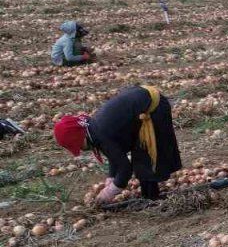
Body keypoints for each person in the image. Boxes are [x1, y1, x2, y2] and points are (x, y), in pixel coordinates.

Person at [52, 85, 182, 203]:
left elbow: (125, 168)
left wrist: (110, 191)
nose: (82, 149)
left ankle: (152, 197)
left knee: (146, 155)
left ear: (80, 137)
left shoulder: (102, 134)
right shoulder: (95, 127)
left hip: (154, 108)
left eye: (79, 145)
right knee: (141, 157)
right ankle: (148, 195)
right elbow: (115, 155)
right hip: (142, 103)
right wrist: (111, 177)